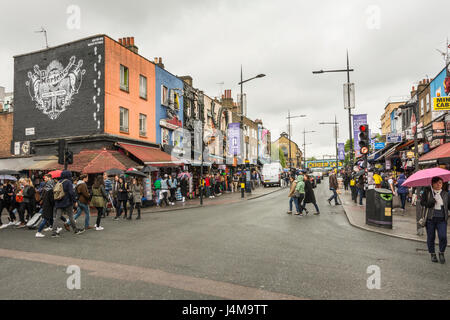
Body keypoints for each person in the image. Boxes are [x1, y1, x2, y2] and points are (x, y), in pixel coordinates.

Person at [420, 176, 448, 264]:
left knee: (443, 237)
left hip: (442, 219)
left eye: (440, 183)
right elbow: (422, 202)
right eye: (436, 183)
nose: (439, 184)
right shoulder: (427, 192)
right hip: (430, 219)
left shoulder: (445, 194)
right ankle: (432, 254)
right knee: (431, 237)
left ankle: (441, 252)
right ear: (432, 183)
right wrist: (431, 202)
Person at [51, 170, 84, 237]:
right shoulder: (68, 182)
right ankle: (75, 230)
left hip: (59, 201)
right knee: (71, 216)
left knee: (57, 217)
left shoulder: (59, 181)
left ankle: (54, 232)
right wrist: (74, 201)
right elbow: (71, 193)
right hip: (67, 202)